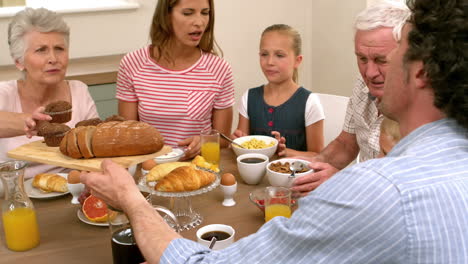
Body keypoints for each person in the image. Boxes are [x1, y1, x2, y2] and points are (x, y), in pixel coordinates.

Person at [81, 0, 468, 262]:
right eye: (361, 58)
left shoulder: (380, 189)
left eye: (388, 56)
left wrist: (131, 201)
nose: (370, 73)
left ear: (421, 70)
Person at [292, 1, 410, 196]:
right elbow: (346, 144)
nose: (369, 73)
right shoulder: (361, 84)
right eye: (362, 59)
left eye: (381, 60)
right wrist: (306, 171)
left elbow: (399, 191)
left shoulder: (420, 109)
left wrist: (339, 181)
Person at [116, 0, 234, 160]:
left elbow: (223, 139)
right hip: (148, 170)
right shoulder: (132, 64)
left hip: (198, 170)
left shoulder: (219, 69)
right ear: (166, 16)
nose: (199, 22)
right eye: (188, 13)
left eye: (205, 13)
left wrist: (203, 142)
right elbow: (127, 134)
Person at [0, 8, 99, 181]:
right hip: (16, 195)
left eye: (59, 48)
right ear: (19, 61)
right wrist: (29, 121)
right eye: (41, 50)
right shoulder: (4, 93)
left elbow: (95, 152)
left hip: (72, 190)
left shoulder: (79, 91)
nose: (53, 58)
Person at [231, 24, 324, 157]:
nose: (270, 62)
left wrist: (286, 152)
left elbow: (319, 156)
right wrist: (236, 141)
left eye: (279, 55)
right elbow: (242, 145)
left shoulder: (309, 102)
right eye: (264, 54)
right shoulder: (248, 98)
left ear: (297, 61)